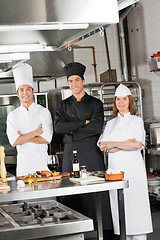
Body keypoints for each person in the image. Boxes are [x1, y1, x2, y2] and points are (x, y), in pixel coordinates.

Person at [54, 62, 113, 238]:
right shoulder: (62, 105)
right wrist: (83, 123)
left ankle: (104, 231)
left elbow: (96, 128)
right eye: (70, 81)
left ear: (83, 81)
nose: (74, 84)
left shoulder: (96, 103)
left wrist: (72, 130)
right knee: (70, 190)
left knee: (97, 192)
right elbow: (58, 128)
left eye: (77, 80)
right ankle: (73, 232)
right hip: (70, 151)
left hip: (91, 151)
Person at [97, 84, 153, 240]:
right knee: (120, 208)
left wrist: (114, 144)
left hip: (134, 171)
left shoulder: (136, 121)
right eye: (117, 100)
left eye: (124, 99)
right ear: (115, 102)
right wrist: (123, 143)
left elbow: (136, 145)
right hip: (115, 172)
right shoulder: (110, 124)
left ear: (130, 101)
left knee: (136, 206)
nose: (120, 103)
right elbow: (103, 146)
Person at [6, 62, 53, 176]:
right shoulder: (13, 115)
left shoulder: (44, 112)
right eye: (21, 89)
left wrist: (23, 136)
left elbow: (46, 138)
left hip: (42, 164)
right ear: (17, 93)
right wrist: (36, 133)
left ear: (33, 92)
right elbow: (14, 141)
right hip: (23, 166)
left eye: (28, 89)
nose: (25, 93)